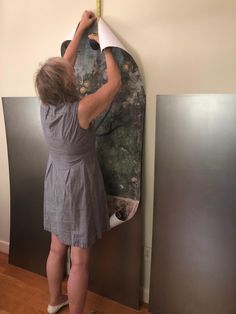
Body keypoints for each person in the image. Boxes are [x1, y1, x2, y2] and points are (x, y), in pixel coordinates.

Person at [34, 10, 121, 314]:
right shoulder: (81, 110)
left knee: (56, 248)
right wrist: (106, 45)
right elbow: (115, 83)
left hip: (57, 179)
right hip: (79, 185)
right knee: (79, 259)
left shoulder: (45, 104)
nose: (70, 69)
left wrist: (80, 28)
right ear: (65, 83)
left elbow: (62, 66)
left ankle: (54, 301)